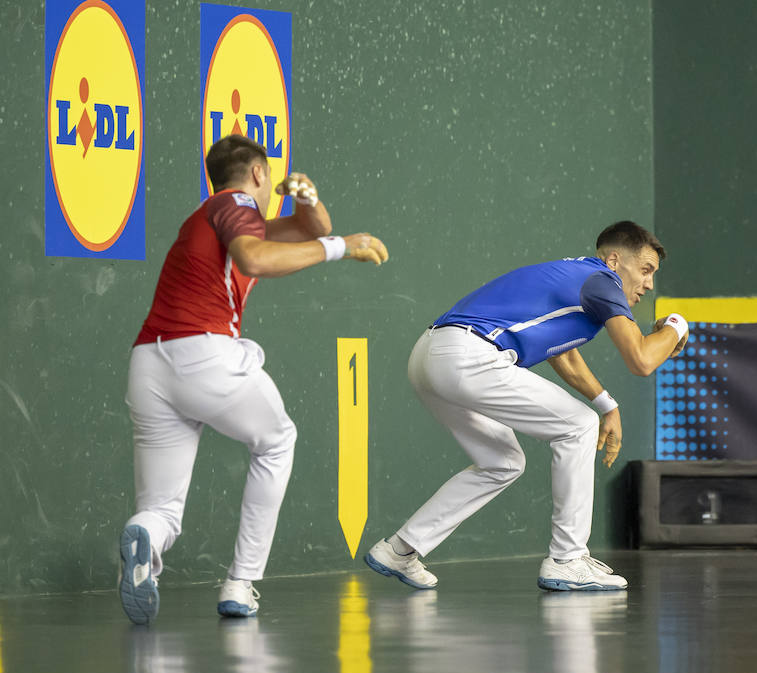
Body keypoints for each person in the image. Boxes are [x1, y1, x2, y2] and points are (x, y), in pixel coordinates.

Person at [119, 134, 390, 624]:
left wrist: (308, 201)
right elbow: (257, 259)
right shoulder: (235, 204)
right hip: (203, 354)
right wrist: (341, 247)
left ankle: (144, 541)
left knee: (159, 507)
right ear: (259, 175)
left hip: (150, 365)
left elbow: (307, 231)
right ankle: (241, 583)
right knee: (277, 440)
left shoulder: (216, 218)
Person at [365, 221, 688, 592]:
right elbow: (642, 360)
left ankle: (400, 549)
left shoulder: (574, 278)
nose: (648, 284)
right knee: (578, 425)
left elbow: (562, 354)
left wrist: (606, 404)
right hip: (469, 357)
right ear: (614, 260)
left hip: (431, 356)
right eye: (645, 271)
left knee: (502, 461)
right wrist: (677, 327)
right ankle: (567, 559)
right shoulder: (603, 281)